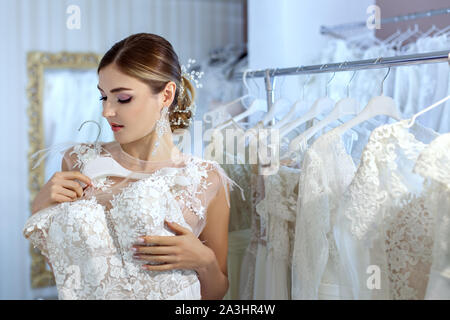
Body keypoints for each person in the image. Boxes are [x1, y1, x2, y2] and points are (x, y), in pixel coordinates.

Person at [25, 33, 236, 300]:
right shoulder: (78, 161)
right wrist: (41, 208)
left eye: (122, 98)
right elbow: (64, 269)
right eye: (103, 97)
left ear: (166, 95)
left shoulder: (207, 179)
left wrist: (204, 260)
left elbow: (215, 293)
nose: (107, 112)